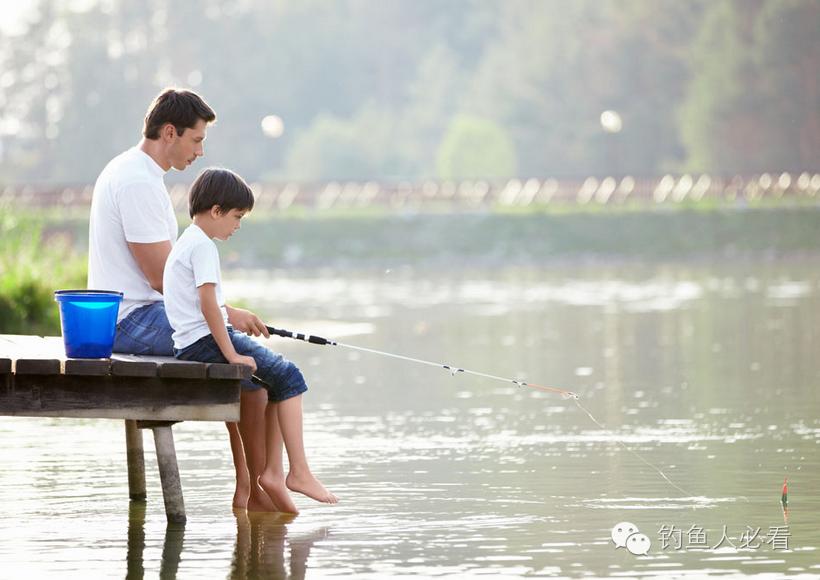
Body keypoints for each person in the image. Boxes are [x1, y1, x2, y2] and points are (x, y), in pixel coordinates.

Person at [87, 88, 272, 510]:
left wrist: (223, 316)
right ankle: (252, 487)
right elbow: (160, 278)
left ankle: (251, 484)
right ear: (169, 132)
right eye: (197, 139)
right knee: (245, 360)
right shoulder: (137, 181)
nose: (201, 151)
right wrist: (225, 314)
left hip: (135, 313)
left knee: (239, 353)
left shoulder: (133, 171)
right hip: (131, 320)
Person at [163, 167, 337, 512]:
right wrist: (230, 353)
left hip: (190, 342)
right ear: (215, 210)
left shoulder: (187, 241)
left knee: (276, 382)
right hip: (206, 342)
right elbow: (208, 304)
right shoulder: (203, 247)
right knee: (291, 377)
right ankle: (297, 471)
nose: (237, 225)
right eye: (236, 216)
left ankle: (273, 473)